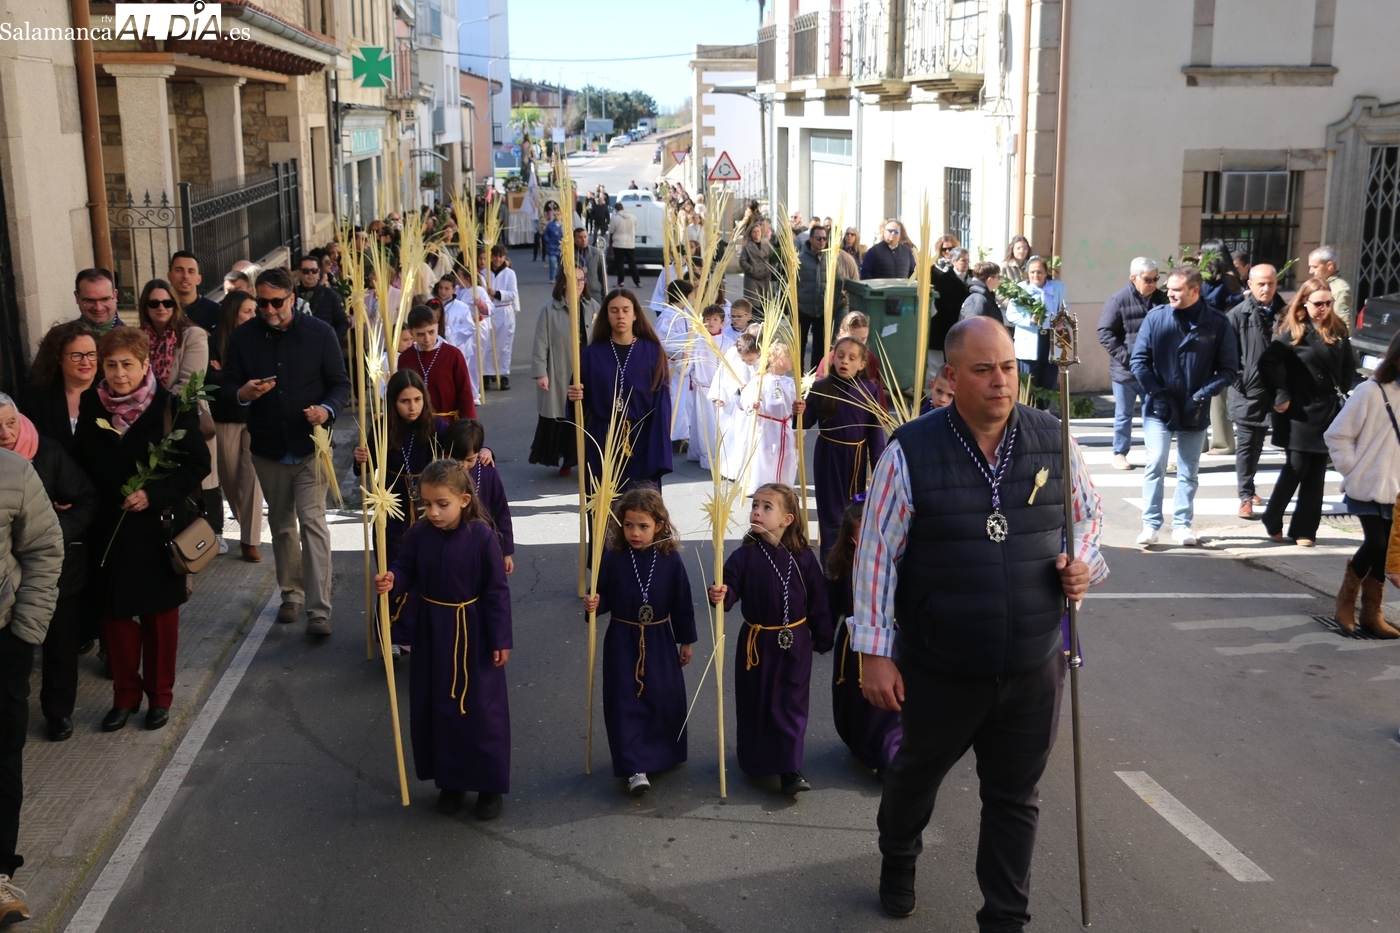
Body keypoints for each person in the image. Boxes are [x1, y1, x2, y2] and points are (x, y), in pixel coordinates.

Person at [854, 314, 1106, 924]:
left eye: (1009, 367)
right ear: (951, 375)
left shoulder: (1054, 438)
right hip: (941, 664)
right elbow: (877, 556)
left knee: (1015, 798)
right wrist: (874, 652)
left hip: (1033, 661)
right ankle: (899, 855)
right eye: (984, 369)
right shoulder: (910, 451)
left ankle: (1004, 918)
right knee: (915, 776)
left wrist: (1083, 563)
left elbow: (1087, 518)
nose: (1001, 381)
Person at [73, 326, 210, 731]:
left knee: (159, 621)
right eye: (111, 365)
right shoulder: (91, 404)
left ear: (145, 364)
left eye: (127, 365)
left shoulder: (171, 406)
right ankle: (125, 696)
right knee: (115, 621)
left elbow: (197, 465)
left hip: (156, 531)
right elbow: (81, 460)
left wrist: (153, 494)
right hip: (109, 530)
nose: (118, 374)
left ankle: (160, 697)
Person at [374, 459, 512, 820]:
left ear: (464, 500)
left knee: (481, 711)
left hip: (473, 633)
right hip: (432, 632)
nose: (433, 512)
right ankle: (451, 781)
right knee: (438, 707)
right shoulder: (419, 535)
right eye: (426, 504)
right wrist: (393, 579)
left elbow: (496, 591)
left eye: (442, 504)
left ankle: (489, 786)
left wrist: (500, 638)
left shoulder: (482, 537)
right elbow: (406, 568)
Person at [220, 267, 350, 634]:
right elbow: (227, 388)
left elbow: (340, 385)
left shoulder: (320, 333)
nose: (269, 309)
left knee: (312, 523)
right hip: (267, 449)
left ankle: (319, 610)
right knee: (281, 525)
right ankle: (291, 594)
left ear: (292, 298)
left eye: (276, 302)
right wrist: (243, 393)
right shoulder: (243, 337)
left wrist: (326, 409)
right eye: (261, 303)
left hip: (312, 447)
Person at [707, 483, 832, 795]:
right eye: (755, 506)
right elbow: (730, 588)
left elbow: (818, 600)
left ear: (787, 519)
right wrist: (721, 594)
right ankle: (757, 760)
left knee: (791, 703)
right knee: (758, 702)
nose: (757, 512)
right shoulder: (743, 556)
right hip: (757, 644)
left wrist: (823, 636)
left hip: (795, 642)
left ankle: (790, 768)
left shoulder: (803, 558)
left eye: (766, 507)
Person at [581, 488, 696, 795]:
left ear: (659, 525)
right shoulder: (613, 558)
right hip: (622, 639)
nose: (634, 532)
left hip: (659, 638)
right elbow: (603, 596)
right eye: (628, 525)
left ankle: (661, 753)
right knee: (625, 700)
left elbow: (682, 603)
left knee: (662, 697)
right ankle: (635, 766)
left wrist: (686, 641)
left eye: (643, 526)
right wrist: (594, 604)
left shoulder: (670, 560)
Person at [0, 397, 94, 744]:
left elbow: (86, 501)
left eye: (11, 422)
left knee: (60, 646)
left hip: (56, 568)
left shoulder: (48, 452)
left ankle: (58, 712)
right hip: (7, 580)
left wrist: (53, 530)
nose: (6, 433)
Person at [0, 426, 63, 923]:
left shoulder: (14, 472)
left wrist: (25, 632)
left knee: (2, 756)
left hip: (4, 641)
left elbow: (44, 549)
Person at [1130, 266, 1238, 547]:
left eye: (1176, 290)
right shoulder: (1156, 317)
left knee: (1188, 470)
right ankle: (1150, 524)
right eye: (1169, 288)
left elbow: (1229, 369)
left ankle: (1182, 525)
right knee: (1155, 463)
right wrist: (1157, 394)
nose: (1169, 294)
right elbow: (1138, 362)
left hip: (1195, 408)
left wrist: (1200, 396)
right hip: (1159, 406)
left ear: (1195, 291)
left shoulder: (1216, 322)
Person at [1259, 277, 1356, 547]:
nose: (1323, 308)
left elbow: (1349, 365)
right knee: (1296, 467)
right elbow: (1266, 363)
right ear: (1304, 302)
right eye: (1318, 303)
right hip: (1299, 412)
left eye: (1328, 303)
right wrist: (1280, 395)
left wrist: (1341, 389)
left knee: (1316, 473)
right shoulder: (1294, 330)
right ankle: (1272, 516)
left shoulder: (1337, 328)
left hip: (1327, 410)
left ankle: (1304, 530)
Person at [1326, 330, 1400, 636]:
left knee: (1384, 551)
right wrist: (1354, 470)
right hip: (1367, 484)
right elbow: (1337, 435)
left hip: (1396, 488)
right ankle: (1345, 602)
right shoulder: (1371, 391)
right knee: (1376, 542)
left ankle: (1372, 613)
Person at [567, 289, 673, 491]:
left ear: (635, 314)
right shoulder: (591, 354)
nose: (620, 316)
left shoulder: (652, 352)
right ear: (606, 316)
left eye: (626, 310)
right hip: (602, 440)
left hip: (642, 440)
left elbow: (662, 405)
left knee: (640, 503)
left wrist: (659, 450)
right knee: (604, 502)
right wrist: (574, 397)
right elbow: (580, 406)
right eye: (614, 310)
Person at [826, 500, 901, 777]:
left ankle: (890, 752)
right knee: (860, 702)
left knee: (894, 701)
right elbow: (829, 606)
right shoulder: (845, 568)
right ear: (852, 538)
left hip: (894, 641)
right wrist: (821, 635)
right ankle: (863, 743)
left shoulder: (898, 562)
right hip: (856, 645)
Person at [804, 337, 887, 556]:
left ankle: (850, 560)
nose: (845, 361)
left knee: (851, 512)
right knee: (829, 512)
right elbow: (804, 422)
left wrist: (879, 469)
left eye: (852, 358)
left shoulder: (869, 390)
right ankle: (830, 563)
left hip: (855, 460)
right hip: (828, 456)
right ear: (833, 359)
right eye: (840, 356)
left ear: (861, 364)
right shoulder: (821, 387)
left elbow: (875, 433)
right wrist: (799, 410)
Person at [206, 290, 263, 563]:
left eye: (254, 310)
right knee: (229, 479)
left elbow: (261, 376)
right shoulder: (213, 340)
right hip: (224, 417)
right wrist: (232, 376)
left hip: (255, 417)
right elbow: (210, 379)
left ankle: (250, 540)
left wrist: (226, 371)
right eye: (247, 311)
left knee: (252, 478)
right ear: (233, 314)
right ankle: (246, 524)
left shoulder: (259, 339)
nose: (253, 316)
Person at [1226, 264, 1286, 517]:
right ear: (1250, 285)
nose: (1266, 288)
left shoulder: (1286, 313)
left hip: (1278, 392)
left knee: (1261, 443)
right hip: (1248, 392)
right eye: (1261, 284)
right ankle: (1245, 495)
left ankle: (1249, 486)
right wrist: (1243, 382)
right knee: (1247, 445)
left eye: (1271, 283)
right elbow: (1228, 357)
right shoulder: (1237, 315)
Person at [1097, 257, 1166, 470]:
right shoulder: (1118, 300)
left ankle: (1155, 456)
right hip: (1125, 371)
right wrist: (1129, 359)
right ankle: (1119, 453)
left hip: (1153, 371)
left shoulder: (1162, 299)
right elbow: (1105, 333)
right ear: (1133, 278)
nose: (1153, 284)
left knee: (1154, 415)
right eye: (1148, 279)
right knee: (1124, 415)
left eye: (1156, 279)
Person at [530, 266, 594, 476]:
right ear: (564, 282)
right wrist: (541, 372)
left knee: (589, 415)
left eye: (582, 279)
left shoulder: (593, 306)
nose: (579, 284)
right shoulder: (549, 310)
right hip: (561, 370)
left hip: (589, 370)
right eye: (574, 279)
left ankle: (589, 458)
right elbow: (540, 343)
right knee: (564, 417)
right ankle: (567, 458)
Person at [442, 419, 514, 575]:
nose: (463, 465)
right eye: (456, 458)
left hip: (483, 544)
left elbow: (501, 511)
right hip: (448, 544)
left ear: (478, 453)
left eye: (469, 460)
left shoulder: (488, 472)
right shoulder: (440, 474)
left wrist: (506, 551)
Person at [20, 320, 99, 455]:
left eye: (91, 354)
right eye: (76, 355)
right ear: (58, 358)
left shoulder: (111, 395)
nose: (85, 362)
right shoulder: (37, 398)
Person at [741, 342, 802, 492]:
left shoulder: (791, 383)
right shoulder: (760, 380)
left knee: (788, 456)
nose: (791, 359)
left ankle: (784, 487)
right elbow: (746, 397)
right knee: (765, 456)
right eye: (787, 356)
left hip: (786, 426)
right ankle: (761, 487)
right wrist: (752, 403)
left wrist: (800, 432)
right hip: (767, 426)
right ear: (774, 359)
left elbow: (797, 410)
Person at [398, 305, 476, 421]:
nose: (427, 339)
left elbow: (465, 393)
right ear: (411, 333)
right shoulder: (406, 358)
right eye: (420, 334)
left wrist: (468, 425)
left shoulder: (453, 354)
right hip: (418, 423)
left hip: (449, 422)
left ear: (437, 327)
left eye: (431, 332)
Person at [1004, 257, 1064, 405]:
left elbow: (1064, 307)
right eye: (1032, 272)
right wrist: (1029, 320)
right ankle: (1026, 410)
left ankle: (1043, 410)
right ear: (1027, 273)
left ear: (1046, 272)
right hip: (1029, 340)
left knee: (1048, 378)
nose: (1035, 275)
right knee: (1028, 381)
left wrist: (1061, 321)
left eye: (1039, 272)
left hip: (1050, 338)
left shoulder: (1057, 287)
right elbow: (1011, 315)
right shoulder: (1021, 289)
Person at [685, 305, 736, 469]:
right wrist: (685, 358)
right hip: (703, 390)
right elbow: (686, 370)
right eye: (707, 319)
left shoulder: (729, 344)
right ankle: (706, 457)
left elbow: (733, 369)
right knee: (704, 426)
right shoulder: (696, 342)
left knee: (720, 425)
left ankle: (721, 456)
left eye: (715, 319)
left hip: (721, 391)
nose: (711, 322)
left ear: (722, 322)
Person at [710, 332, 762, 484]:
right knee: (735, 440)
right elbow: (724, 376)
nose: (748, 363)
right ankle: (734, 471)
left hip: (756, 409)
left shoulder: (763, 361)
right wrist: (735, 389)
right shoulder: (734, 357)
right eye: (744, 359)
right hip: (738, 407)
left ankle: (752, 474)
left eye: (751, 360)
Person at [796, 226, 843, 373]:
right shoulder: (800, 259)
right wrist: (794, 306)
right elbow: (791, 283)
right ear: (811, 239)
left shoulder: (831, 259)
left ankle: (815, 378)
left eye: (824, 238)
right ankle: (799, 378)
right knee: (799, 345)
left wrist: (832, 305)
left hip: (822, 310)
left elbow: (838, 283)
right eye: (819, 238)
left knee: (820, 347)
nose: (822, 241)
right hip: (803, 309)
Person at [481, 247, 519, 392]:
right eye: (495, 256)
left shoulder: (509, 273)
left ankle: (503, 374)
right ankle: (486, 374)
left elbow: (512, 294)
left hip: (504, 310)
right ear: (491, 256)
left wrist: (496, 293)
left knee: (504, 344)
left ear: (504, 257)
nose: (497, 259)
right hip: (488, 311)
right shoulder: (484, 273)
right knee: (487, 343)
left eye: (500, 256)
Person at [295, 253, 351, 344]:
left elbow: (343, 323)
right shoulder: (292, 295)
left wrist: (332, 342)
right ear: (299, 272)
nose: (310, 274)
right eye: (306, 271)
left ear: (318, 272)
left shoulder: (331, 296)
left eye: (314, 270)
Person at [167, 251, 221, 334]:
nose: (185, 276)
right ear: (169, 276)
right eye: (179, 270)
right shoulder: (162, 309)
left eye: (191, 271)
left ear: (199, 279)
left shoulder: (217, 312)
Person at [1308, 246, 1353, 332]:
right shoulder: (1316, 284)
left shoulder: (1340, 289)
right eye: (1310, 267)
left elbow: (1343, 323)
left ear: (1329, 265)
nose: (1311, 271)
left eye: (1315, 267)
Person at [72, 268, 122, 334]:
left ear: (115, 295)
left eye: (105, 299)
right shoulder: (60, 337)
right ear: (77, 298)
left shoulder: (132, 338)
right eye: (90, 300)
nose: (98, 308)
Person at [739, 221, 776, 304]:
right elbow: (742, 261)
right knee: (754, 305)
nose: (756, 233)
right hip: (752, 279)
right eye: (754, 232)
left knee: (766, 304)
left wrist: (770, 269)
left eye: (758, 231)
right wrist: (751, 270)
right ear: (751, 234)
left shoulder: (767, 244)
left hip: (766, 278)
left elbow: (774, 257)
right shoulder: (747, 246)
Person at [575, 227, 608, 315]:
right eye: (580, 237)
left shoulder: (596, 253)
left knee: (596, 319)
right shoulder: (569, 255)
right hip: (577, 293)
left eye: (585, 237)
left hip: (595, 294)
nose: (583, 240)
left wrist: (605, 296)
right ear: (574, 239)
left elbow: (602, 276)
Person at [610, 202, 640, 288]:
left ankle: (620, 281)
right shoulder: (633, 217)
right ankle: (637, 281)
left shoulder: (615, 218)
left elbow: (611, 230)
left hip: (618, 244)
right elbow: (636, 228)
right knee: (632, 263)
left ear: (616, 209)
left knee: (620, 263)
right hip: (630, 243)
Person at [543, 208, 564, 283]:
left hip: (561, 248)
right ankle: (552, 278)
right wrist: (548, 241)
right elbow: (546, 234)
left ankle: (560, 278)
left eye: (558, 214)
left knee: (561, 265)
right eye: (555, 215)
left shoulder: (564, 225)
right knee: (552, 262)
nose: (557, 216)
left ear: (561, 215)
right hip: (552, 247)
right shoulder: (550, 225)